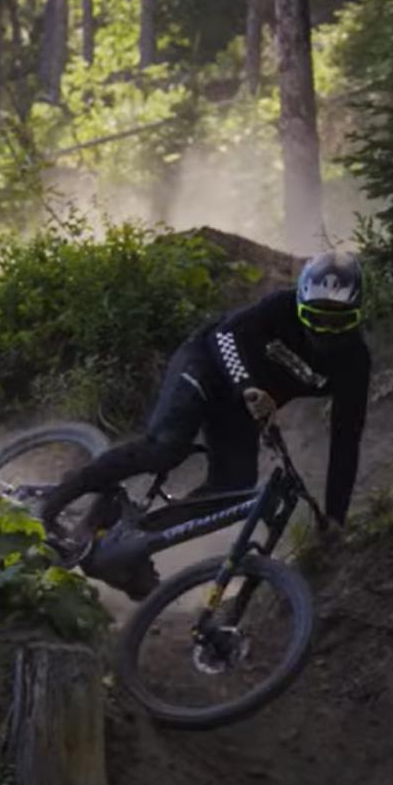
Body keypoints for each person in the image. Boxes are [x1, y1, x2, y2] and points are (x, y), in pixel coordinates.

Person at [38, 251, 371, 599]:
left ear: (357, 315)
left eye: (339, 321)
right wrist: (248, 387)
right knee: (166, 447)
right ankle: (55, 500)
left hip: (241, 407)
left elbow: (346, 443)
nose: (325, 330)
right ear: (300, 304)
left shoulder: (355, 364)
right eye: (315, 318)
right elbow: (224, 336)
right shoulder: (279, 306)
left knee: (233, 488)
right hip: (204, 365)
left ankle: (134, 541)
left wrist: (335, 518)